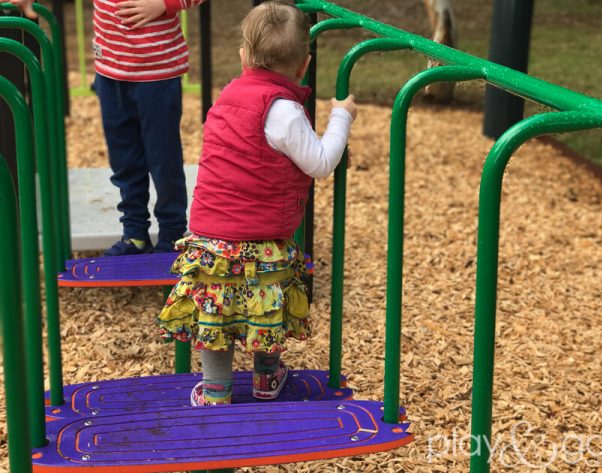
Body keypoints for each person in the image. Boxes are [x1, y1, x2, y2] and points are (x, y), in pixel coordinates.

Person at [157, 0, 358, 406]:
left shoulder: (228, 96)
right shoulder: (283, 110)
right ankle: (267, 379)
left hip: (211, 239)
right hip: (263, 240)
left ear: (244, 56)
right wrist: (342, 117)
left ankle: (216, 389)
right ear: (304, 65)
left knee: (216, 308)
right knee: (267, 301)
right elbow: (320, 163)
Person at [11, 0, 205, 255]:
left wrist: (163, 4)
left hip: (157, 74)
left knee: (163, 160)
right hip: (110, 74)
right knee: (124, 160)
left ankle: (172, 233)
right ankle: (134, 233)